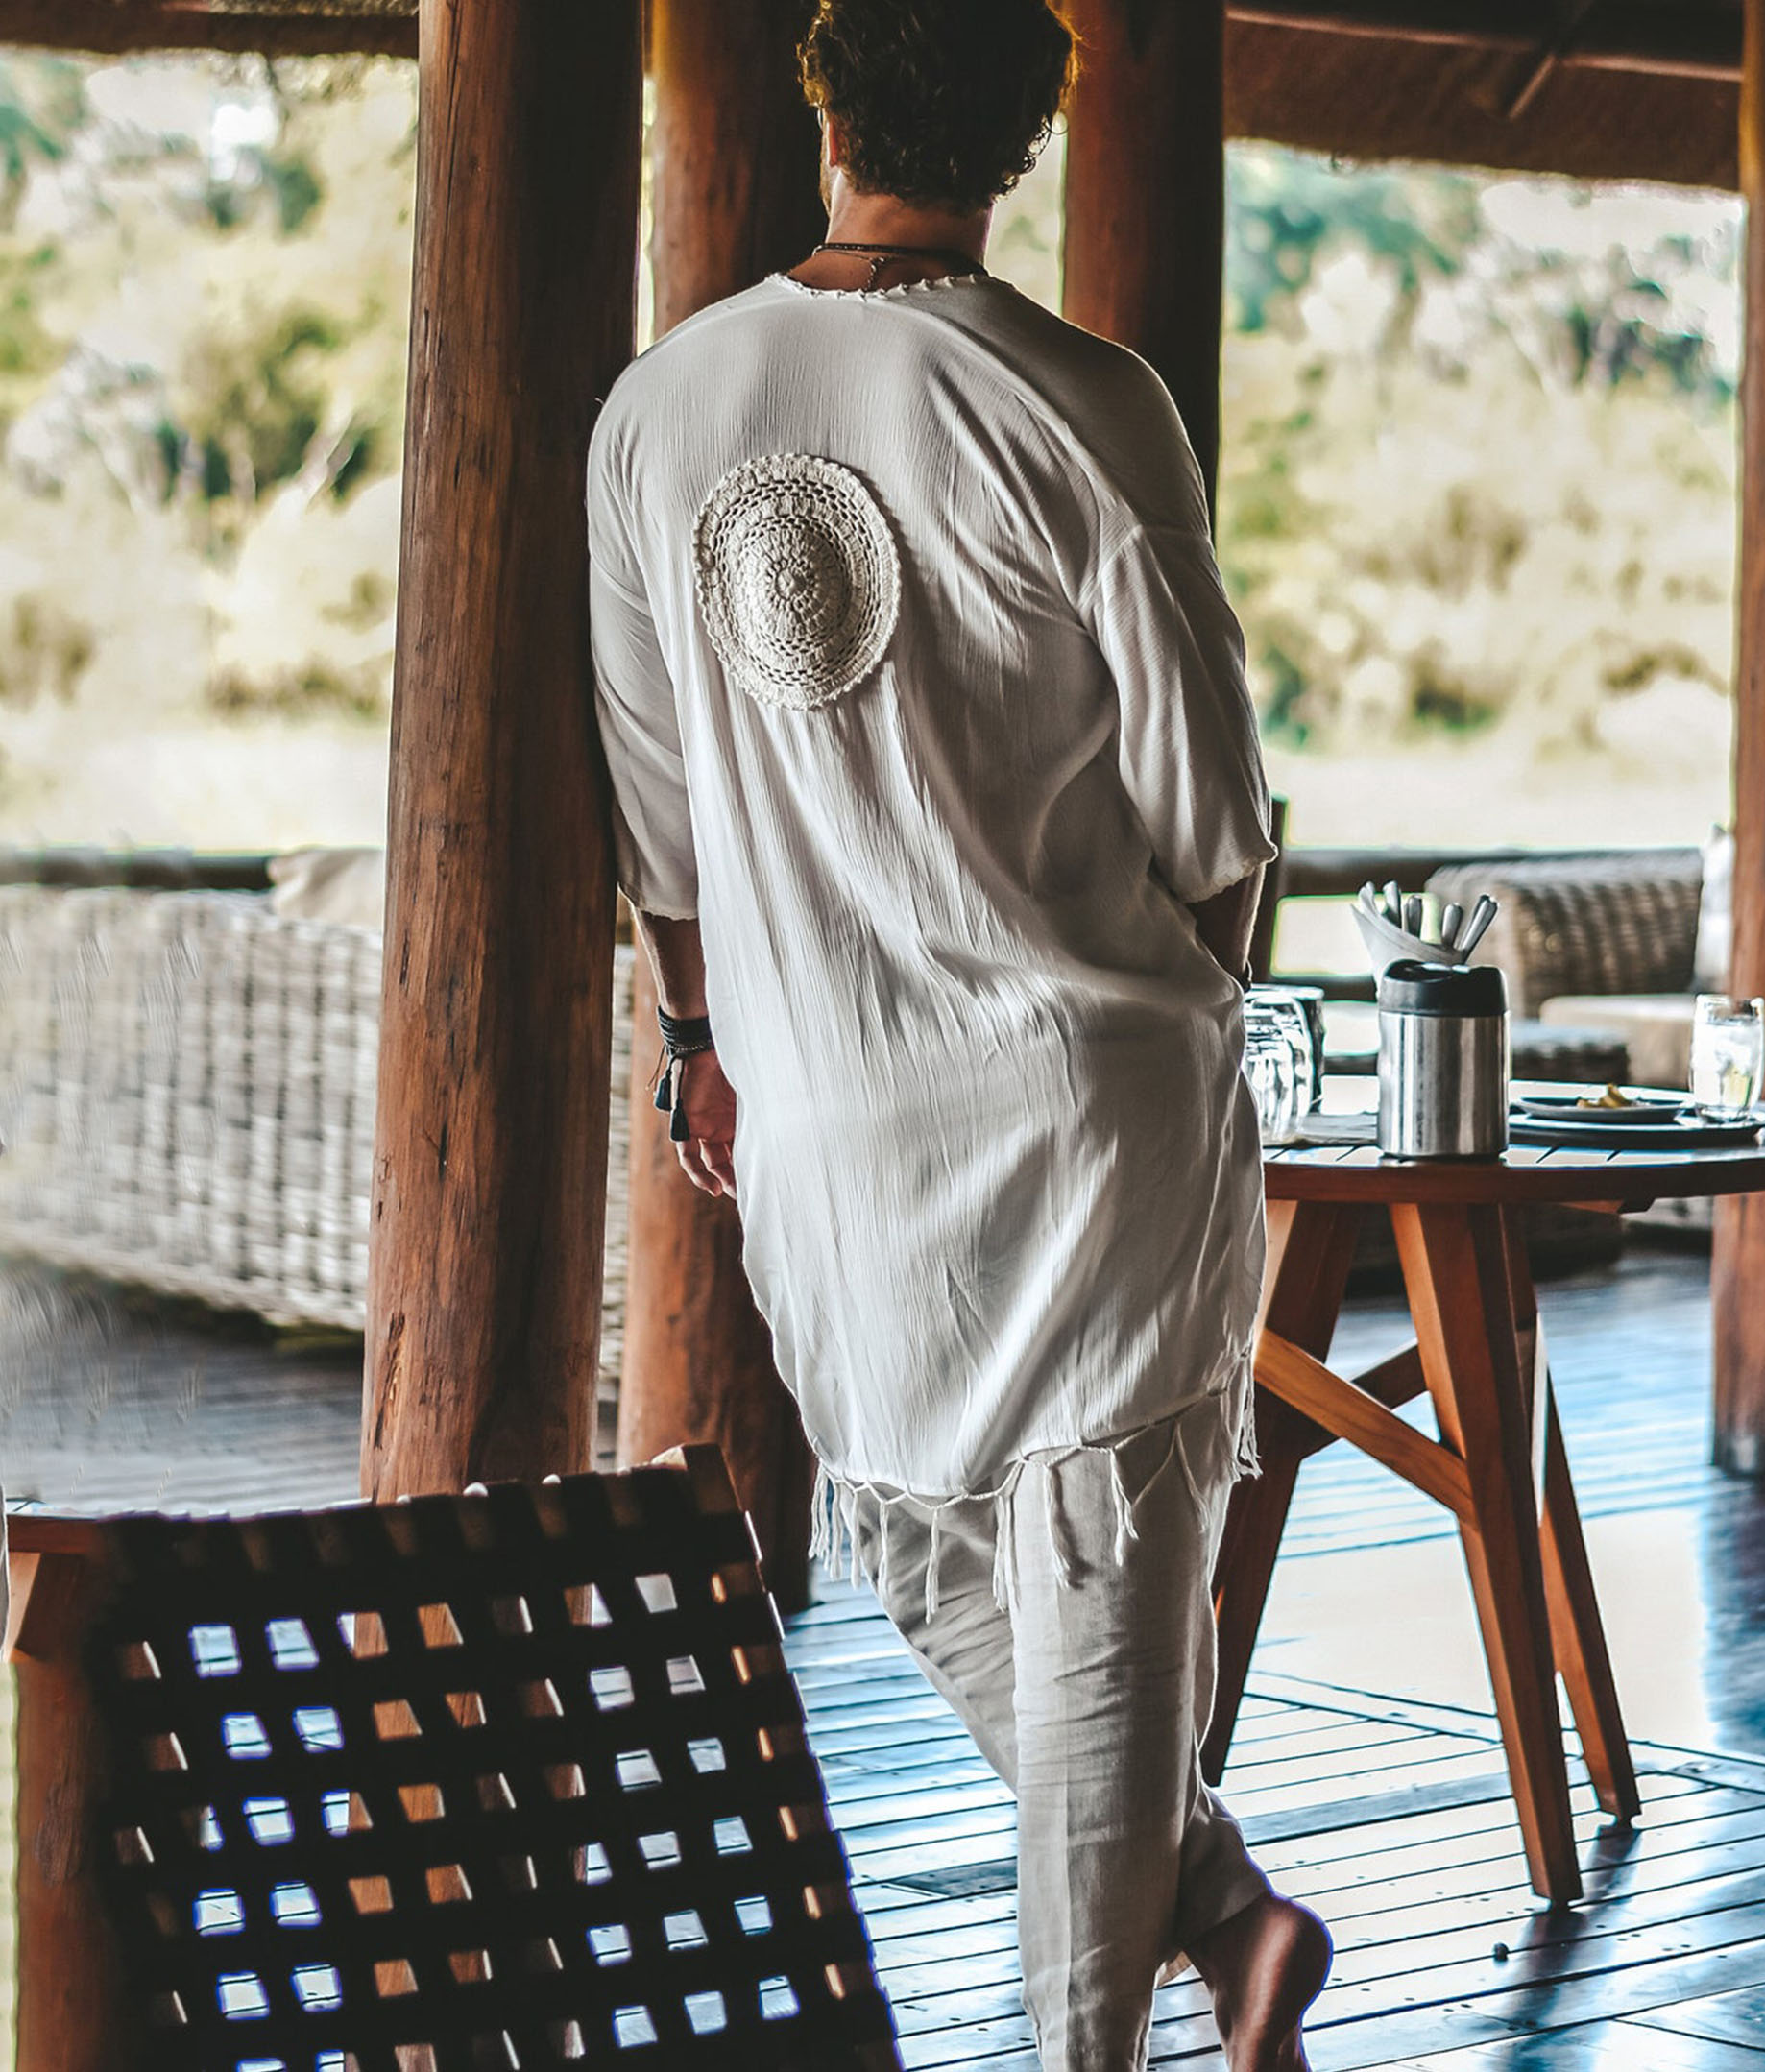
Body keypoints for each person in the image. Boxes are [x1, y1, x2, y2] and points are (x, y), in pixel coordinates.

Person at [587, 2, 1331, 2063]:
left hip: (828, 1109)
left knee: (952, 1567)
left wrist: (699, 1037)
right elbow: (1214, 822)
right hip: (1091, 1109)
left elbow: (661, 821)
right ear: (1024, 141)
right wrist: (1168, 995)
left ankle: (1155, 1988)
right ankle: (1218, 1926)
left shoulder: (657, 414)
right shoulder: (1084, 401)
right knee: (1046, 1604)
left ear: (821, 98)